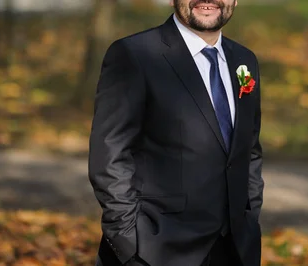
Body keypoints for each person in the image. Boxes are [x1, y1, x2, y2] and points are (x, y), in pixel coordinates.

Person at [87, 0, 264, 265]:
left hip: (234, 250)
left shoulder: (245, 61)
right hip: (156, 251)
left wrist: (249, 216)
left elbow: (249, 150)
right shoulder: (134, 55)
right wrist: (128, 243)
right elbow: (110, 155)